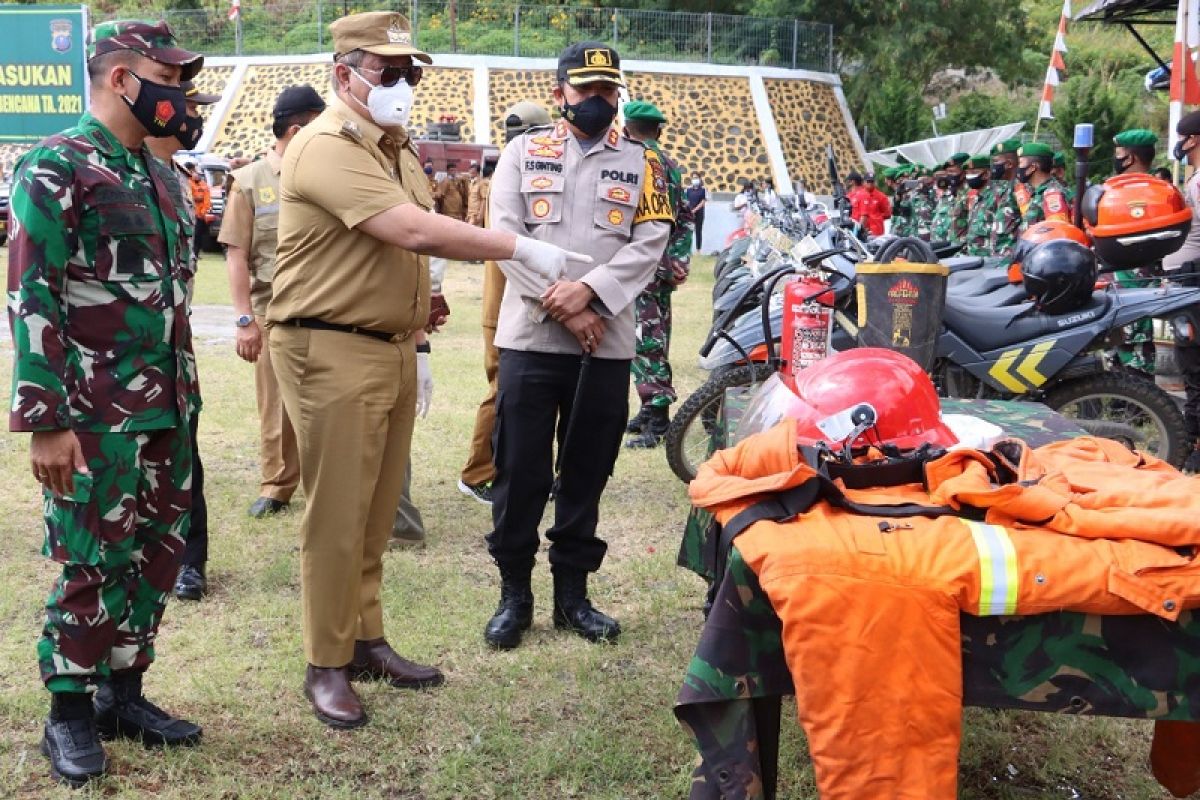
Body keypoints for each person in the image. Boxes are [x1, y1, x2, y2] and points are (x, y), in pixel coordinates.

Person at [267, 11, 589, 728]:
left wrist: (421, 300)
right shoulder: (326, 143)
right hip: (329, 345)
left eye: (411, 70)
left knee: (377, 510)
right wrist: (518, 249)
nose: (403, 82)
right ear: (343, 73)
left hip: (387, 342)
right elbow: (407, 227)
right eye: (388, 69)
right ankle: (326, 661)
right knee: (337, 515)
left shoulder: (395, 149)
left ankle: (366, 638)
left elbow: (410, 244)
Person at [8, 20, 205, 786]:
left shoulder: (159, 175)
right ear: (122, 78)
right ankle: (69, 711)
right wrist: (45, 420)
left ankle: (125, 692)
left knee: (155, 555)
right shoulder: (57, 164)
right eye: (169, 75)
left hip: (166, 405)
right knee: (90, 558)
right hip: (93, 414)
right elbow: (32, 298)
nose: (179, 94)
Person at [483, 40, 672, 650]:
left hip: (606, 344)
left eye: (608, 91)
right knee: (519, 469)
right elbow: (505, 236)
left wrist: (590, 295)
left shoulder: (647, 164)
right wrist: (564, 308)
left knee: (587, 470)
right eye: (586, 89)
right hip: (532, 340)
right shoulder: (520, 152)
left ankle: (574, 597)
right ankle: (515, 595)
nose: (598, 101)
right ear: (559, 90)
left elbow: (651, 244)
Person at [220, 85, 325, 522]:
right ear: (297, 130)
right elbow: (236, 253)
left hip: (327, 309)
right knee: (276, 405)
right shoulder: (249, 182)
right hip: (272, 312)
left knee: (331, 403)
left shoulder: (326, 176)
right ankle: (278, 484)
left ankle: (327, 484)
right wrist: (246, 320)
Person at [143, 80, 220, 603]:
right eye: (189, 106)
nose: (195, 117)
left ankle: (189, 563)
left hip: (174, 357)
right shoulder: (106, 172)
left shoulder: (178, 180)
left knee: (184, 464)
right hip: (113, 367)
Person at [458, 100, 553, 505]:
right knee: (501, 392)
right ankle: (478, 472)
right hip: (506, 308)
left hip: (510, 304)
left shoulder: (513, 175)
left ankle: (514, 470)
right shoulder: (508, 181)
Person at [622, 100, 694, 449]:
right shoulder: (671, 165)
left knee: (645, 339)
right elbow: (685, 218)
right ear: (659, 130)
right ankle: (648, 407)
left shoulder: (634, 162)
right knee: (650, 336)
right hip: (659, 266)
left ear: (625, 129)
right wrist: (678, 262)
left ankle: (658, 417)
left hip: (640, 266)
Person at [1163, 111, 1200, 473]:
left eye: (1183, 138)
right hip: (1187, 279)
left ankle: (1194, 451)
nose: (1181, 146)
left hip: (1194, 280)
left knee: (1195, 369)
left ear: (1193, 139)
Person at [1110, 128, 1160, 375]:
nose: (1115, 158)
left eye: (1118, 153)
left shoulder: (1153, 192)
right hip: (1116, 279)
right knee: (1116, 344)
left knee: (1137, 344)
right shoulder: (1113, 189)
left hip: (1136, 281)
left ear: (1130, 158)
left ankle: (1138, 408)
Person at [1013, 142, 1070, 231]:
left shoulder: (1053, 194)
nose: (1016, 168)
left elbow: (1056, 233)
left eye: (1020, 163)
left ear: (1033, 167)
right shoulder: (1034, 192)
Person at [988, 138, 1022, 260]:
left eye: (996, 162)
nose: (993, 166)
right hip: (998, 257)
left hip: (1011, 258)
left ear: (1009, 164)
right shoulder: (1006, 187)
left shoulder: (1020, 188)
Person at [186, 159, 212, 255]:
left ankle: (195, 254)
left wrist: (202, 212)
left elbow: (207, 200)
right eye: (193, 171)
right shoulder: (186, 182)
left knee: (198, 236)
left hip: (199, 215)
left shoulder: (203, 185)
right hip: (189, 214)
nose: (196, 173)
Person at [685, 170, 708, 253]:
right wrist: (688, 210)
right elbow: (686, 201)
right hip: (690, 214)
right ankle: (688, 250)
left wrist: (694, 210)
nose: (695, 179)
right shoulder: (688, 190)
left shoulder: (703, 190)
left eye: (696, 178)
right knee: (688, 232)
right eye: (693, 178)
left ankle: (698, 250)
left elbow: (703, 202)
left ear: (699, 179)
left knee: (698, 231)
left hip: (699, 214)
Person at [466, 160, 487, 226]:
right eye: (470, 172)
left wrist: (480, 215)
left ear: (477, 173)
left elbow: (484, 199)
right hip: (470, 214)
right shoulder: (471, 183)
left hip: (476, 215)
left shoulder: (482, 183)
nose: (470, 174)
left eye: (472, 173)